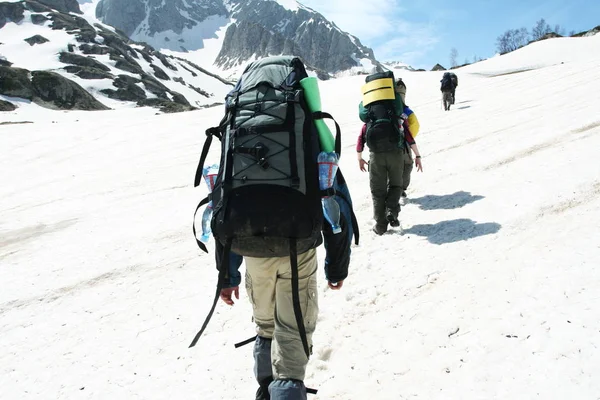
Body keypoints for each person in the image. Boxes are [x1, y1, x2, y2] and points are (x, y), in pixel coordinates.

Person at [218, 178, 355, 400]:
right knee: (291, 333)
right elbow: (335, 201)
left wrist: (227, 275)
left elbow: (224, 207)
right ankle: (284, 392)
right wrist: (337, 267)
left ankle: (266, 390)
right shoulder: (315, 141)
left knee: (266, 327)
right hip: (298, 249)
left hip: (255, 252)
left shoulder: (238, 142)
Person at [357, 79, 423, 235]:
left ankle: (380, 226)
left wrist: (359, 157)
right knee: (395, 186)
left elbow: (361, 138)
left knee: (377, 191)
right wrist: (417, 155)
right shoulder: (396, 116)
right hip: (396, 154)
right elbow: (409, 137)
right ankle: (392, 211)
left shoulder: (370, 118)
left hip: (376, 157)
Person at [394, 79, 421, 198]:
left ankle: (392, 187)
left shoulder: (383, 109)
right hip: (403, 144)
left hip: (383, 144)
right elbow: (415, 125)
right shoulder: (406, 111)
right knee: (407, 165)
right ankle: (400, 188)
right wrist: (408, 138)